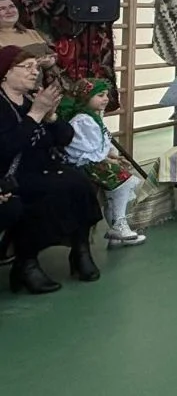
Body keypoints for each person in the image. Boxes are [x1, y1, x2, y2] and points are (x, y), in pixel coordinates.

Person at [0, 46, 103, 294]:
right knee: (49, 192)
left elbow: (65, 138)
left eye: (36, 67)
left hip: (42, 168)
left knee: (80, 183)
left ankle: (80, 250)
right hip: (11, 175)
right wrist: (36, 114)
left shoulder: (31, 99)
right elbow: (6, 148)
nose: (35, 72)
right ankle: (26, 262)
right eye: (27, 67)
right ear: (5, 72)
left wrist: (52, 116)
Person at [60, 79, 145, 248]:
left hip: (94, 160)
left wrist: (112, 155)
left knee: (115, 190)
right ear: (86, 98)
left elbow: (101, 143)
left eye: (106, 95)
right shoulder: (82, 120)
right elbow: (86, 149)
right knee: (124, 180)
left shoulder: (93, 116)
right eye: (100, 95)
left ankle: (117, 232)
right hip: (85, 164)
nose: (105, 99)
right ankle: (119, 225)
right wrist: (108, 159)